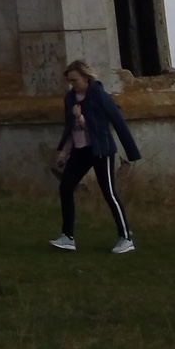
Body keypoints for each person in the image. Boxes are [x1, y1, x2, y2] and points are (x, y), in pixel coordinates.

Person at [50, 60, 140, 255]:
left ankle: (126, 238)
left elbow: (113, 122)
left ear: (86, 77)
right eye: (69, 81)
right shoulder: (69, 98)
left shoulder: (99, 95)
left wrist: (131, 151)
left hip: (101, 150)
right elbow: (70, 127)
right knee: (65, 187)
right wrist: (64, 153)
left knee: (109, 192)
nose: (72, 84)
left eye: (75, 80)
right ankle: (67, 237)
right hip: (80, 151)